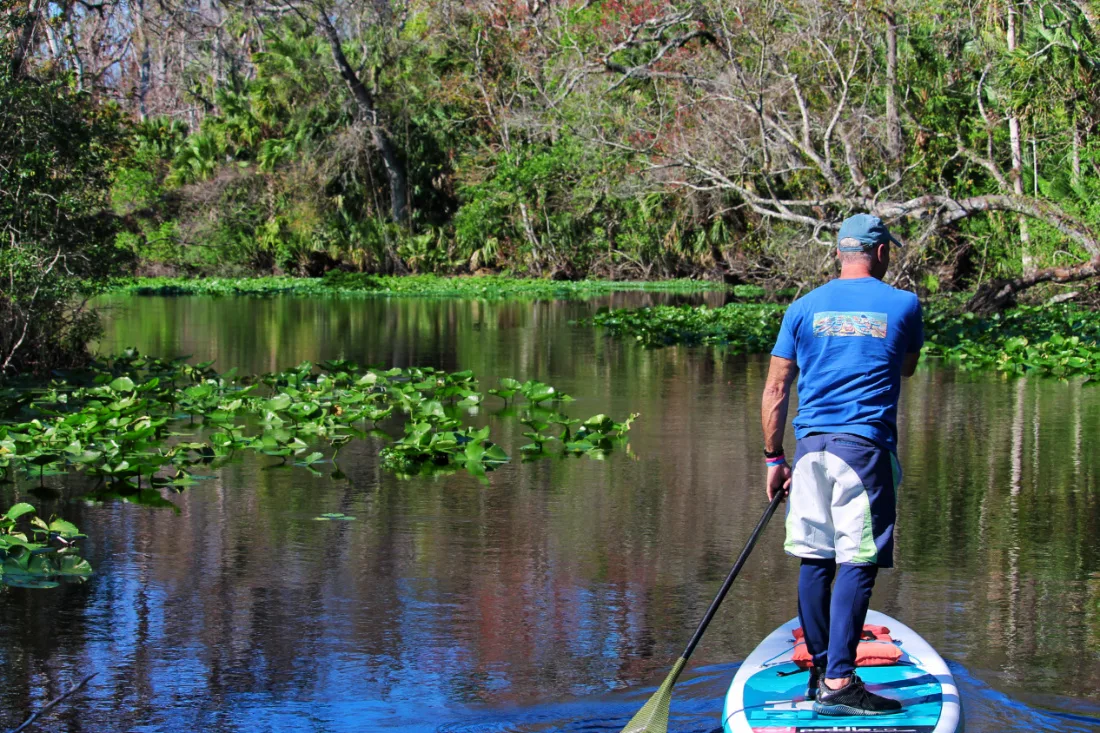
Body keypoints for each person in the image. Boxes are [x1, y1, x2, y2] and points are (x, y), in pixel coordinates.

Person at [759, 214, 923, 716]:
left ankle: (821, 671)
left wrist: (774, 458)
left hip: (808, 449)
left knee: (815, 557)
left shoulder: (802, 307)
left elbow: (775, 389)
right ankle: (838, 682)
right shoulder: (904, 304)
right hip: (864, 448)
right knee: (858, 559)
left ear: (839, 253)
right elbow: (907, 365)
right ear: (880, 253)